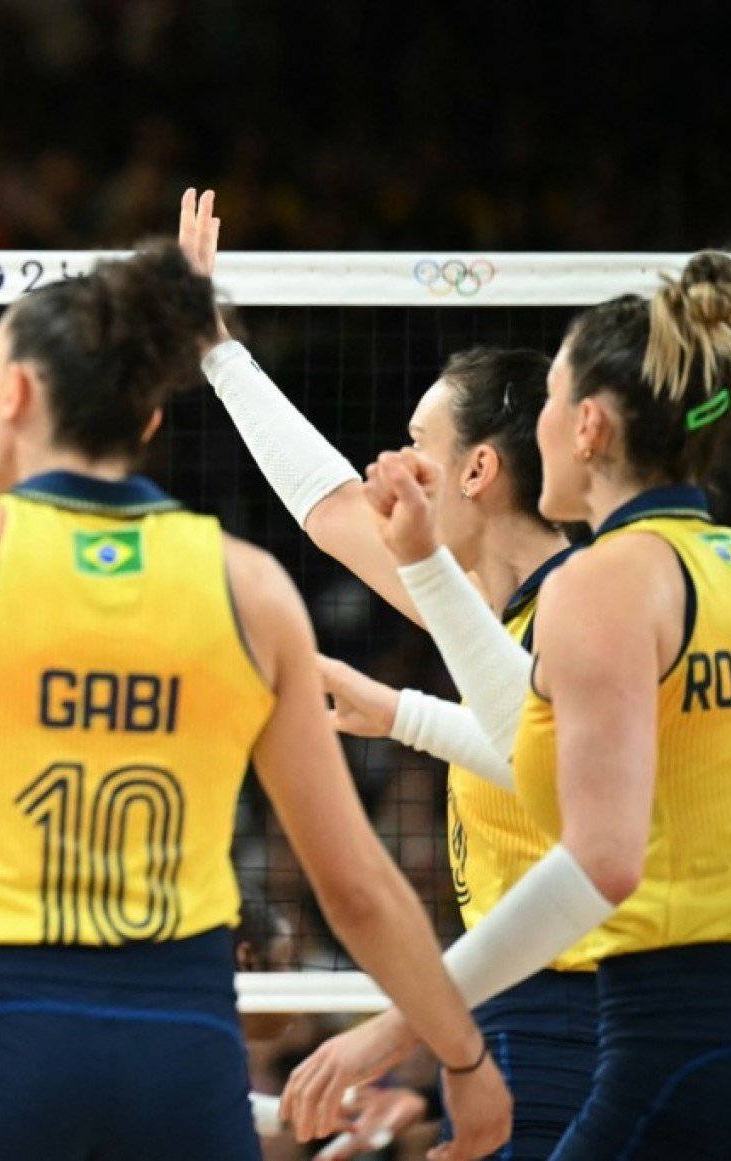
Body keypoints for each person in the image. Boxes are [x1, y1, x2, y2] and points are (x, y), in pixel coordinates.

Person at [0, 241, 511, 1160]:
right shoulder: (252, 586)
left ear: (14, 395)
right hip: (180, 1054)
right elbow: (353, 885)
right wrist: (463, 1059)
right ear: (147, 423)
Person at [286, 253, 731, 1159]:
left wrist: (402, 1024)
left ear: (585, 426)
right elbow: (533, 748)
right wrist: (405, 710)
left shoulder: (602, 582)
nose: (532, 426)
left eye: (547, 403)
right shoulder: (730, 560)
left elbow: (599, 860)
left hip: (666, 1022)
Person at [179, 189, 600, 1156]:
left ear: (480, 473)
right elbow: (327, 509)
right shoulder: (481, 606)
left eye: (419, 444)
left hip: (587, 1010)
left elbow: (567, 788)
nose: (395, 461)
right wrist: (215, 348)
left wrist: (408, 713)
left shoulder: (589, 609)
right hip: (507, 1009)